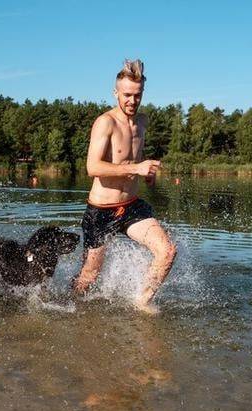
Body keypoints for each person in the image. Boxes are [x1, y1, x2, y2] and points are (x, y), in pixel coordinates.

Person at [72, 59, 176, 314]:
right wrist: (135, 168)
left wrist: (146, 173)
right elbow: (93, 167)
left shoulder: (143, 121)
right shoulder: (105, 122)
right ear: (115, 93)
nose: (132, 101)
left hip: (131, 206)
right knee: (89, 277)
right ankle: (69, 308)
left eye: (137, 95)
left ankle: (142, 303)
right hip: (102, 210)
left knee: (167, 251)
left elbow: (132, 157)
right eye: (127, 95)